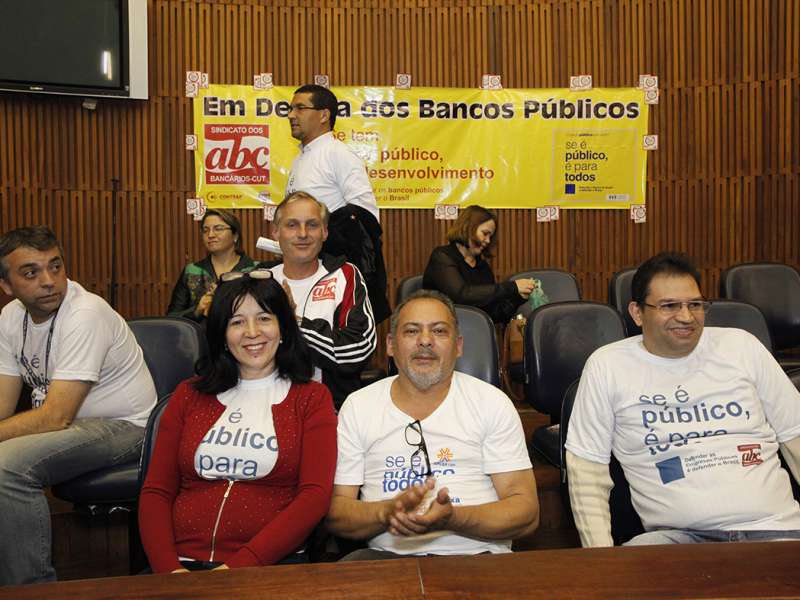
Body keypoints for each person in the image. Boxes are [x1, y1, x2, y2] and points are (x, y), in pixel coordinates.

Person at [566, 251, 800, 547]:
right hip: (675, 541)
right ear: (638, 313)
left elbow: (796, 436)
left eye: (695, 305)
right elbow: (586, 471)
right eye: (669, 306)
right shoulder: (608, 365)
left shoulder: (741, 346)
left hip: (778, 530)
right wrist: (600, 559)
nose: (686, 316)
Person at [139, 272, 337, 572]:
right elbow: (157, 491)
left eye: (264, 318)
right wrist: (169, 572)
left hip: (268, 568)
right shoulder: (189, 395)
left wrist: (237, 569)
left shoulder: (311, 398)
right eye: (237, 322)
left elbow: (314, 496)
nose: (252, 332)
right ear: (221, 334)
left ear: (283, 326)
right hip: (179, 568)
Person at [326, 289, 539, 559]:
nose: (425, 341)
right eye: (412, 331)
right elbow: (336, 513)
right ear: (390, 345)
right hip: (385, 561)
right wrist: (386, 512)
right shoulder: (359, 406)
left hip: (479, 556)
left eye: (439, 331)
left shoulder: (492, 403)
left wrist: (453, 518)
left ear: (459, 346)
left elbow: (526, 512)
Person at [0, 226, 156, 585]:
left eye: (55, 266)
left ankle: (32, 591)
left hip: (127, 426)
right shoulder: (10, 318)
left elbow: (56, 416)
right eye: (31, 272)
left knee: (7, 469)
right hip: (72, 427)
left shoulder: (85, 312)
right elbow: (5, 406)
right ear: (7, 286)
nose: (49, 280)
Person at [285, 84, 390, 323]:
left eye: (300, 108)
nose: (291, 115)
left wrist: (327, 239)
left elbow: (365, 217)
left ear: (324, 115)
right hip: (305, 270)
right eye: (290, 108)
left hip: (334, 276)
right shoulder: (299, 159)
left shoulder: (338, 154)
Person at [266, 191, 377, 410]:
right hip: (265, 406)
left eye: (312, 225)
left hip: (329, 410)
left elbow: (358, 349)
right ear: (276, 232)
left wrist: (293, 322)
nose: (303, 233)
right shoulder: (260, 281)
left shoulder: (345, 275)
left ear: (325, 232)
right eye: (292, 225)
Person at [422, 205, 536, 323]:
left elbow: (494, 315)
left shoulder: (483, 267)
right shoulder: (442, 256)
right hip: (438, 329)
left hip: (472, 330)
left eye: (490, 236)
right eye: (485, 233)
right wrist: (512, 287)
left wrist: (518, 298)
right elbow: (461, 295)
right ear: (467, 228)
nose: (488, 241)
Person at [167, 209, 257, 321]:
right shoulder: (192, 271)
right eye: (205, 230)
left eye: (218, 229)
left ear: (235, 235)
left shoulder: (255, 271)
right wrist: (198, 309)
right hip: (199, 337)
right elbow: (171, 319)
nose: (210, 235)